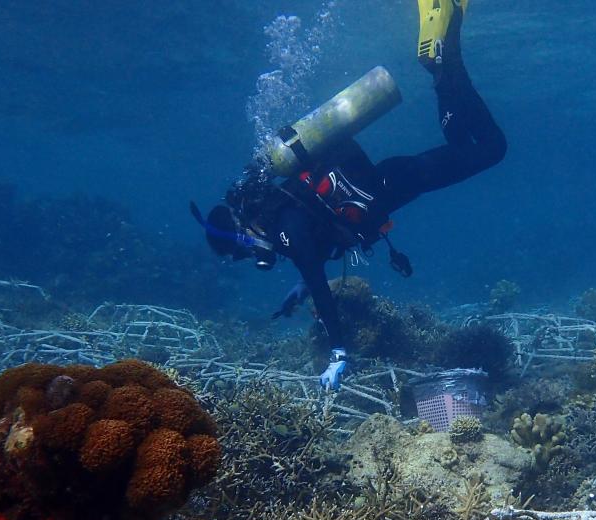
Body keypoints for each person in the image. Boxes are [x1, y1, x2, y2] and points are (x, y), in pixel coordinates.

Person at [193, 0, 505, 392]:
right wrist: (300, 288)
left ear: (240, 231)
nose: (253, 256)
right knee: (466, 143)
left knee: (491, 148)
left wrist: (339, 353)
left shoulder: (284, 227)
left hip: (397, 182)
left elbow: (320, 281)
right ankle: (444, 60)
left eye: (242, 251)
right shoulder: (283, 219)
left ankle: (443, 61)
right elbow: (315, 251)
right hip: (391, 182)